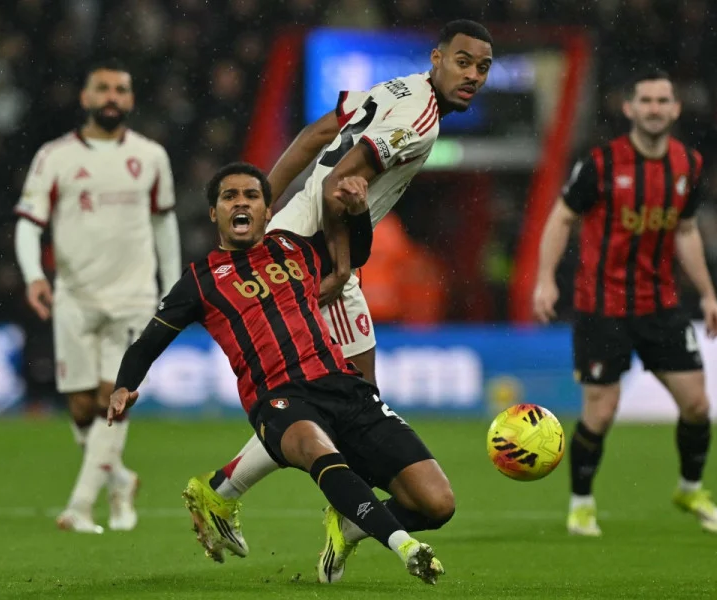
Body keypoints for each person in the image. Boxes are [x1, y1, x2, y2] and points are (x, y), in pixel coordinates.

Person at [182, 19, 493, 562]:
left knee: (344, 398)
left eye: (483, 68)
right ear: (437, 58)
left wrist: (264, 212)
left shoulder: (393, 87)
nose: (472, 76)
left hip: (298, 245)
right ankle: (291, 504)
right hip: (313, 259)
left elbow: (313, 136)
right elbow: (337, 184)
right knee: (346, 402)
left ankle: (231, 494)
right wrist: (343, 265)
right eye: (462, 62)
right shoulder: (419, 118)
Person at [108, 162, 454, 585]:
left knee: (437, 503)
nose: (241, 203)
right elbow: (149, 341)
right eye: (229, 196)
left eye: (251, 196)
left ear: (268, 211)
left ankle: (348, 525)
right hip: (277, 400)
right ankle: (404, 546)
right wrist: (124, 385)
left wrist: (360, 211)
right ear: (214, 213)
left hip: (343, 386)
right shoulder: (200, 282)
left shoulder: (296, 249)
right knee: (314, 446)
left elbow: (356, 253)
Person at [532, 69, 717, 537]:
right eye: (646, 100)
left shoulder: (689, 165)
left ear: (676, 108)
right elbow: (562, 217)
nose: (655, 108)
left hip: (662, 305)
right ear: (629, 108)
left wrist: (708, 294)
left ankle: (689, 488)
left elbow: (685, 230)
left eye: (664, 100)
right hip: (602, 308)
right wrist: (545, 279)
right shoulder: (601, 164)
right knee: (600, 412)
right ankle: (581, 503)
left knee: (698, 405)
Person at [13, 58, 180, 534]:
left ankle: (80, 506)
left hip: (132, 297)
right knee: (83, 407)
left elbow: (163, 224)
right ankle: (120, 481)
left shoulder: (150, 156)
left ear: (130, 99)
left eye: (121, 90)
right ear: (85, 98)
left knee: (114, 396)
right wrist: (32, 276)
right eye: (103, 89)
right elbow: (29, 225)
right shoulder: (55, 156)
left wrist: (170, 288)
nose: (112, 97)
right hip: (74, 296)